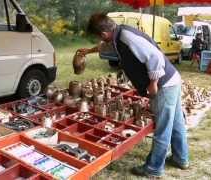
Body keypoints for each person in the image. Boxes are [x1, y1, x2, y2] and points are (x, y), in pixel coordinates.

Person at [77, 13, 189, 178]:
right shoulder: (118, 35)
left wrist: (153, 83)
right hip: (172, 80)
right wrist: (89, 51)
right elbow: (106, 47)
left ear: (103, 34)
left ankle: (154, 168)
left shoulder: (127, 37)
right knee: (176, 123)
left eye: (98, 37)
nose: (100, 40)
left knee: (163, 128)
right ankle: (181, 159)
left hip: (165, 85)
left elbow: (156, 57)